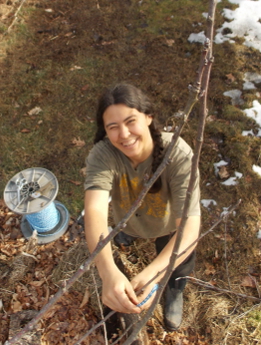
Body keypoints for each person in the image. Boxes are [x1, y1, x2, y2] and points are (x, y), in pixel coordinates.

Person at [83, 83, 201, 331]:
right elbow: (94, 211)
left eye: (130, 121)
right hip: (128, 219)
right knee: (126, 231)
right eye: (112, 127)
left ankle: (174, 291)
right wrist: (108, 273)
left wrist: (155, 274)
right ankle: (128, 235)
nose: (123, 134)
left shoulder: (177, 154)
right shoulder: (103, 155)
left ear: (149, 116)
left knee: (179, 265)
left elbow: (188, 229)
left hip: (168, 227)